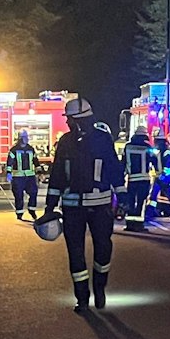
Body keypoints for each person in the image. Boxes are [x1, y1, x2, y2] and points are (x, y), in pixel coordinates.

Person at [39, 97, 120, 311]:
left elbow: (114, 169)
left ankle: (100, 288)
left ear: (79, 119)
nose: (67, 123)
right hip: (72, 207)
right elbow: (57, 175)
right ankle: (82, 299)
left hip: (100, 205)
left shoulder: (103, 139)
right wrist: (50, 206)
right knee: (75, 252)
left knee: (103, 248)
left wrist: (123, 198)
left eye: (69, 119)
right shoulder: (65, 142)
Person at [120, 128, 158, 230]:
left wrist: (121, 177)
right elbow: (154, 160)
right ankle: (139, 225)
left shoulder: (127, 146)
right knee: (141, 202)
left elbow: (123, 162)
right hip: (144, 179)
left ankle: (129, 224)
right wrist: (158, 172)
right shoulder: (147, 147)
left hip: (131, 179)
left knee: (131, 200)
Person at [6, 134, 39, 218]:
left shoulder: (31, 149)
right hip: (18, 176)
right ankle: (19, 213)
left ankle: (32, 210)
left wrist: (40, 172)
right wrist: (8, 173)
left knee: (33, 193)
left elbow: (35, 161)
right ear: (20, 139)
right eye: (25, 137)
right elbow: (9, 162)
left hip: (30, 176)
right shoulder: (14, 150)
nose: (27, 139)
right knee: (18, 195)